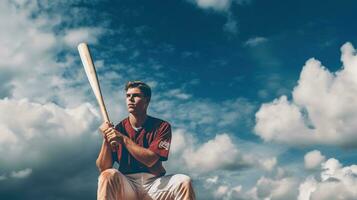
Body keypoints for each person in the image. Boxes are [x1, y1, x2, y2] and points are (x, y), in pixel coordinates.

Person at [96, 81, 196, 200]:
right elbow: (103, 167)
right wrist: (106, 138)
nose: (130, 99)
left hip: (155, 183)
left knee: (184, 181)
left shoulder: (162, 126)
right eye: (128, 96)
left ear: (147, 100)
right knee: (107, 175)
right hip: (128, 183)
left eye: (136, 95)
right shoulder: (119, 129)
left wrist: (123, 139)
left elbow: (150, 160)